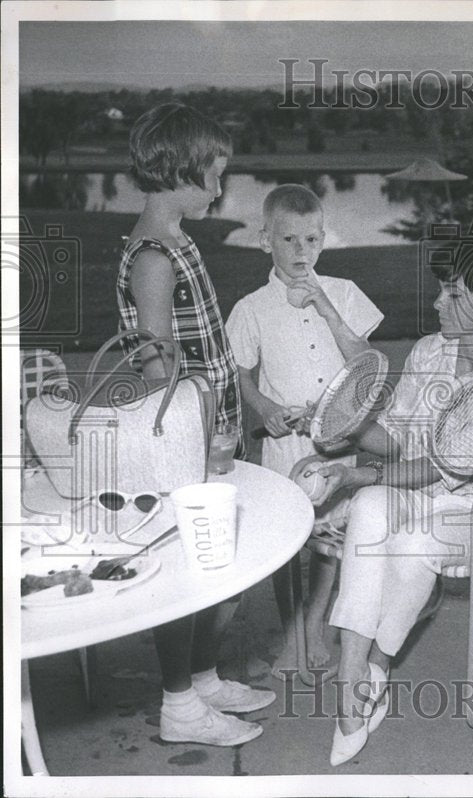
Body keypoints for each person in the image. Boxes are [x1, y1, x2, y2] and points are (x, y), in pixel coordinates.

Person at [290, 247, 473, 766]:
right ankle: (353, 678)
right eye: (443, 288)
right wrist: (346, 426)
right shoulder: (429, 352)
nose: (437, 301)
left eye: (454, 294)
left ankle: (378, 663)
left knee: (411, 537)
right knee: (373, 505)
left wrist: (353, 473)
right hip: (413, 490)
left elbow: (443, 468)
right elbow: (399, 441)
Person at [115, 102, 274, 746]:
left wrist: (244, 407)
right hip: (184, 438)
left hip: (213, 427)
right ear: (179, 171)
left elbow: (210, 344)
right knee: (189, 570)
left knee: (220, 565)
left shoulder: (179, 241)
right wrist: (199, 439)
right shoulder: (153, 256)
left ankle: (204, 679)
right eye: (214, 175)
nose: (220, 189)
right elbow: (156, 364)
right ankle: (179, 704)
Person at [225, 184, 383, 676]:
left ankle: (315, 620)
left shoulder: (344, 294)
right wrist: (266, 408)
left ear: (323, 239)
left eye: (311, 240)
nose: (301, 251)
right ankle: (294, 622)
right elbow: (243, 376)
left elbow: (366, 364)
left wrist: (325, 306)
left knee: (332, 537)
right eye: (289, 239)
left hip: (338, 441)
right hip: (285, 444)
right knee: (289, 537)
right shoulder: (251, 308)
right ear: (264, 240)